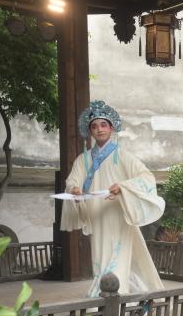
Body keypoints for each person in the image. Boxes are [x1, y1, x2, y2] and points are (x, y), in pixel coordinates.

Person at [62, 101, 165, 297]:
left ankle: (105, 299)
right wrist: (74, 189)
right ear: (90, 131)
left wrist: (122, 187)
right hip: (97, 216)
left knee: (115, 258)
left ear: (111, 128)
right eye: (94, 126)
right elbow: (72, 180)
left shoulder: (122, 155)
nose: (99, 129)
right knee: (101, 258)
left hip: (117, 216)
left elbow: (146, 177)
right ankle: (137, 295)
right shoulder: (83, 159)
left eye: (103, 125)